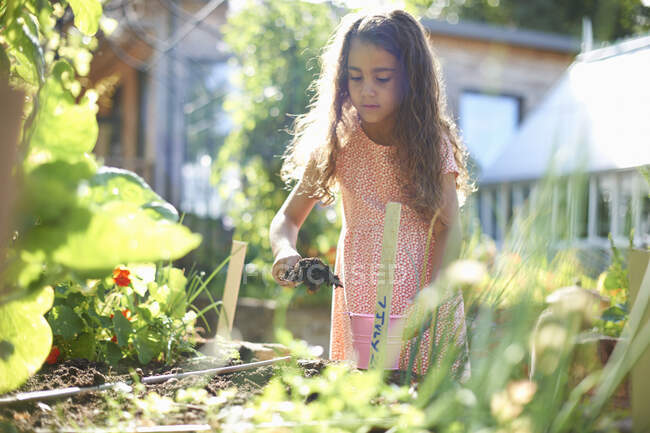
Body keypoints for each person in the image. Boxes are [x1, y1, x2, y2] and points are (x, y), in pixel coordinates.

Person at [269, 9, 474, 376]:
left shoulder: (430, 144)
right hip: (360, 297)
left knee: (429, 406)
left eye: (382, 77)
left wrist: (432, 297)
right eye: (355, 77)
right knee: (363, 403)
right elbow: (287, 217)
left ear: (411, 78)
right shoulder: (339, 140)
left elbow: (449, 226)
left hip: (422, 301)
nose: (367, 89)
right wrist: (285, 251)